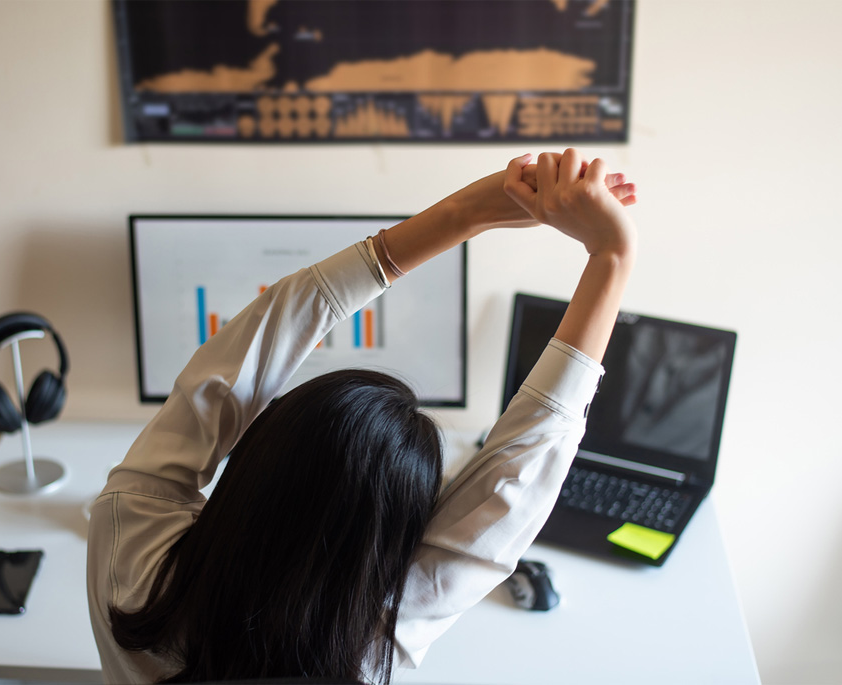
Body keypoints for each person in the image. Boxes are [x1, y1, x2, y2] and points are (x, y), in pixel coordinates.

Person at [87, 149, 638, 684]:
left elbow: (233, 366)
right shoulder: (373, 646)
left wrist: (466, 214)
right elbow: (510, 492)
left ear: (256, 457)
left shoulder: (129, 554)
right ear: (393, 541)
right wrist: (610, 254)